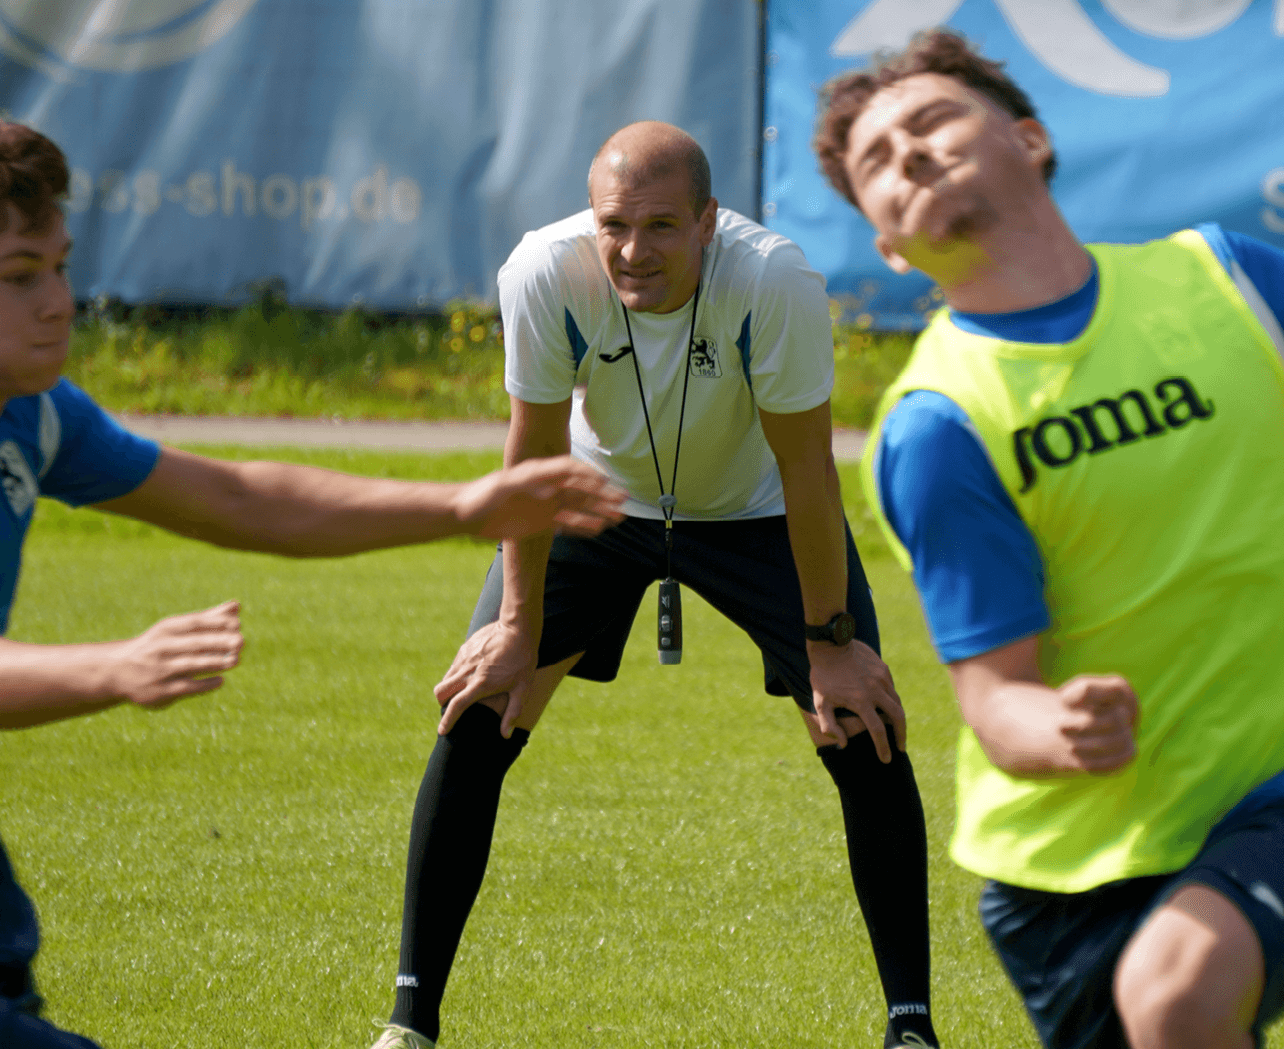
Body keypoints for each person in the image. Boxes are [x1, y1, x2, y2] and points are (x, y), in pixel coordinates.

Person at [0, 96, 626, 1049]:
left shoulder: (21, 411)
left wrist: (460, 508)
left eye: (58, 266)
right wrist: (118, 667)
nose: (58, 301)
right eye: (18, 276)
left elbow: (236, 498)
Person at [813, 30, 1284, 1049]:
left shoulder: (1224, 280)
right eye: (878, 162)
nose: (912, 154)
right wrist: (1058, 726)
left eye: (934, 119)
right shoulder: (940, 424)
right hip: (1059, 884)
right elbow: (993, 700)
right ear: (888, 244)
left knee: (1178, 997)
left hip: (1282, 798)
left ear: (1029, 139)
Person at [371, 121, 940, 1049]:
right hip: (596, 504)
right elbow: (533, 452)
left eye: (663, 226)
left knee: (861, 727)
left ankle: (910, 1028)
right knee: (481, 708)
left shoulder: (774, 280)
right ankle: (409, 1023)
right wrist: (517, 620)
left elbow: (808, 474)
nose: (635, 251)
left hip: (756, 512)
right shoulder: (543, 273)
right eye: (616, 225)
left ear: (709, 222)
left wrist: (831, 645)